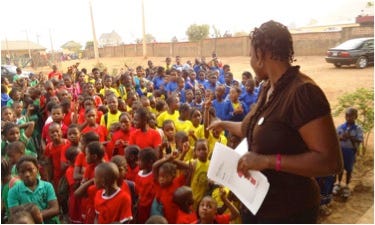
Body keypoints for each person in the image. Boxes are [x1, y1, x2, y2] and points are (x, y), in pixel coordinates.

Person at [207, 20, 343, 223]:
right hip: (257, 206)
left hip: (289, 212)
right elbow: (250, 128)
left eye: (251, 55)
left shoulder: (303, 93)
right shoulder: (267, 88)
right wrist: (222, 123)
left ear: (261, 55)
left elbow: (331, 162)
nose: (251, 61)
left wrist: (268, 161)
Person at [7, 156, 60, 223]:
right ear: (18, 174)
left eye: (30, 170)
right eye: (22, 172)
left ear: (37, 169)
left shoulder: (47, 186)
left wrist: (36, 216)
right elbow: (14, 213)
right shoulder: (13, 191)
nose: (27, 174)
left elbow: (55, 209)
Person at [333, 107, 363, 198]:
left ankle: (346, 185)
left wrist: (350, 137)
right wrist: (341, 138)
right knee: (340, 168)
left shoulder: (358, 129)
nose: (349, 118)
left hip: (350, 151)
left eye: (351, 116)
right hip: (341, 151)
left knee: (349, 169)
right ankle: (338, 183)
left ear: (356, 117)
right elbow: (335, 138)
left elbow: (359, 140)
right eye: (347, 116)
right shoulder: (340, 127)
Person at [135, 148, 158, 223]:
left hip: (151, 206)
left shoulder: (154, 174)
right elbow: (137, 191)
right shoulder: (139, 174)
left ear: (150, 162)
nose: (138, 162)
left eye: (140, 161)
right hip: (141, 206)